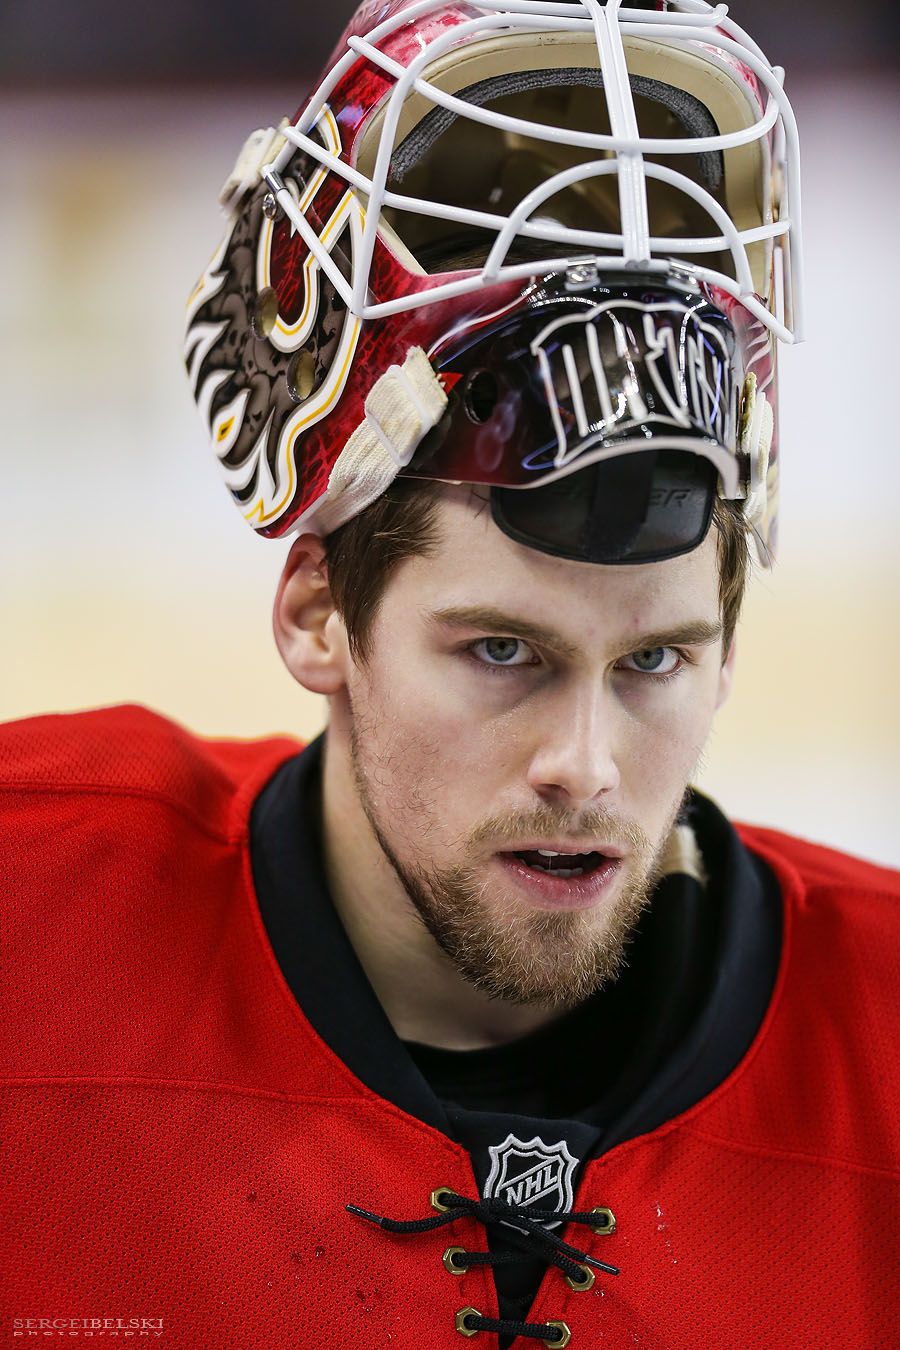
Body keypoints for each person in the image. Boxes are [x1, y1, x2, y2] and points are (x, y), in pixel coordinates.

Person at [3, 0, 899, 1346]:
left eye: (655, 658)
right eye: (502, 652)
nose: (587, 764)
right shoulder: (35, 925)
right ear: (317, 613)